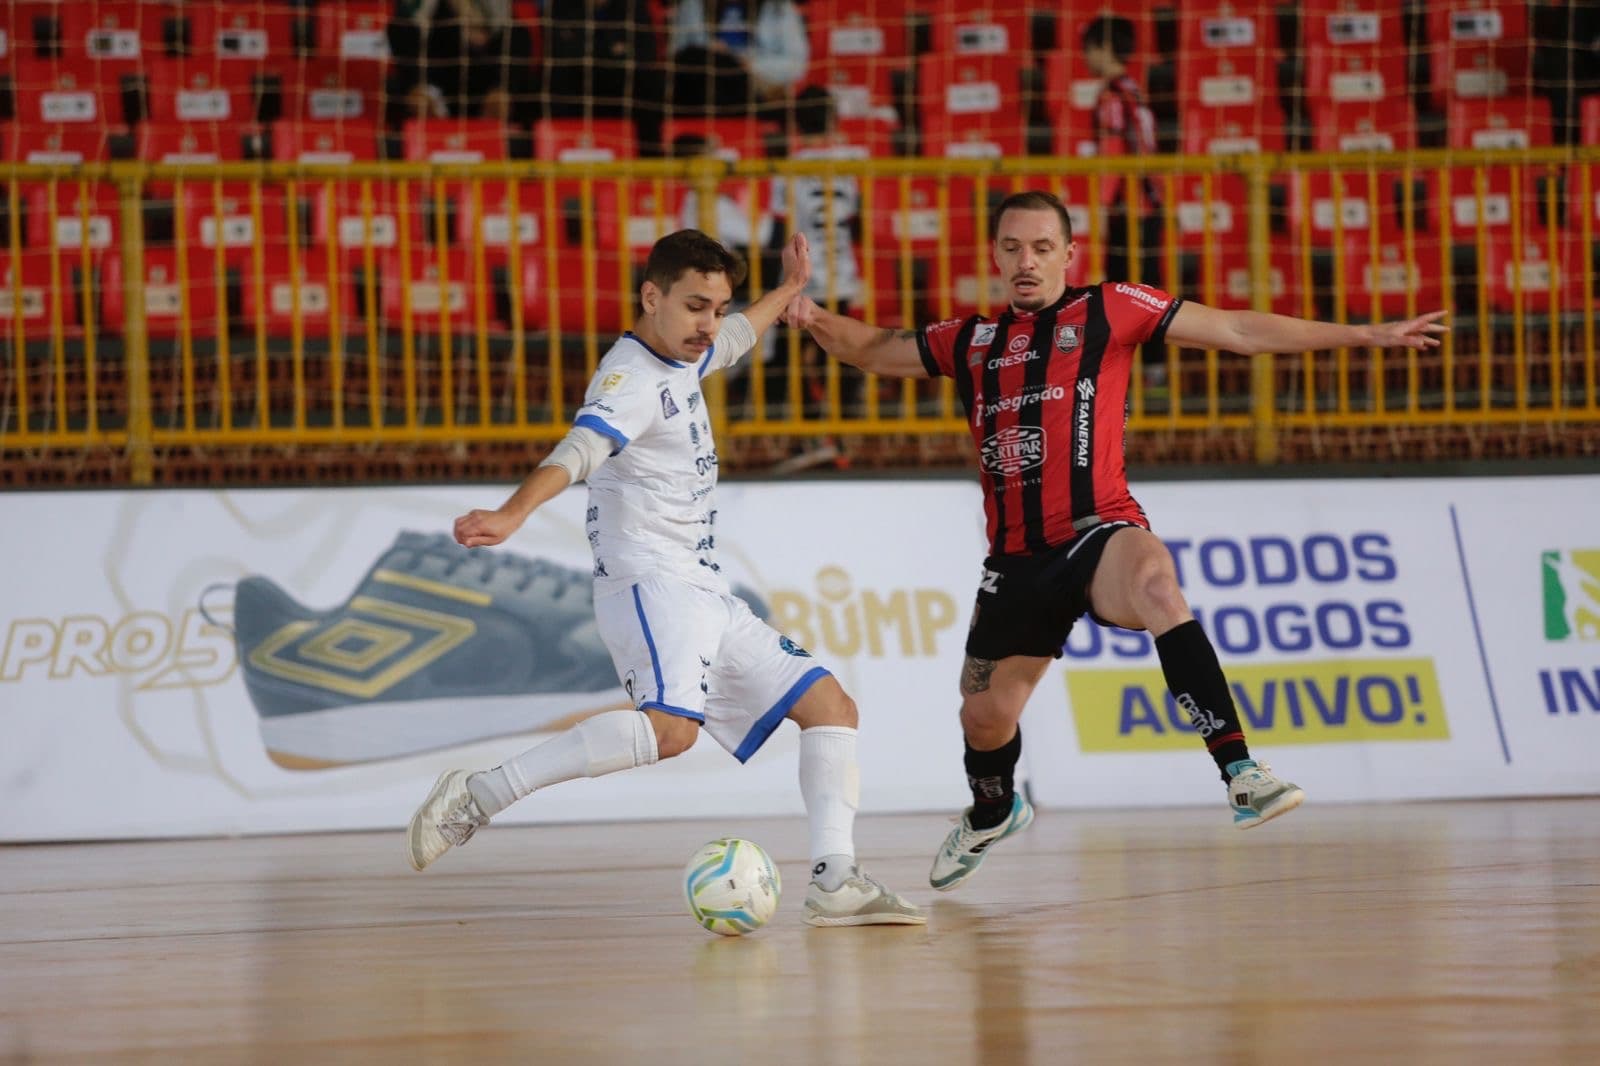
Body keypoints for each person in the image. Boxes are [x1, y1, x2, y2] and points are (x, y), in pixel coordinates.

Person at [784, 190, 1448, 891]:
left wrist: (1362, 335)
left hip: (1099, 530)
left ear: (1069, 255)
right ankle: (992, 810)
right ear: (994, 256)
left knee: (1158, 583)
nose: (1026, 261)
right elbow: (872, 350)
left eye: (1042, 248)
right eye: (1012, 247)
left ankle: (1240, 769)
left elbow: (1240, 331)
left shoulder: (1111, 308)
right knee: (983, 716)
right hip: (1015, 560)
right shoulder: (973, 341)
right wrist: (806, 307)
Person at [406, 228, 924, 928]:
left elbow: (736, 338)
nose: (707, 324)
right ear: (651, 298)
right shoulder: (630, 382)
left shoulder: (687, 351)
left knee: (830, 708)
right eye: (693, 307)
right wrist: (511, 513)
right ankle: (477, 796)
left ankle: (835, 878)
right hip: (649, 583)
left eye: (716, 306)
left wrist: (787, 293)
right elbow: (581, 448)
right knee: (671, 731)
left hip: (704, 586)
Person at [1080, 14, 1163, 287]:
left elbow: (1112, 152)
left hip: (1129, 205)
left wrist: (1102, 206)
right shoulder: (1133, 88)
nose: (1086, 58)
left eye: (1088, 50)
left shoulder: (1111, 95)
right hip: (1150, 200)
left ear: (1103, 48)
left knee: (1124, 291)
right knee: (1150, 289)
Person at [668, 0, 810, 116]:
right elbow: (675, 56)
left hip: (756, 87)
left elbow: (797, 64)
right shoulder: (693, 4)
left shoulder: (778, 7)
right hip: (705, 86)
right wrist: (708, 51)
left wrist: (752, 65)